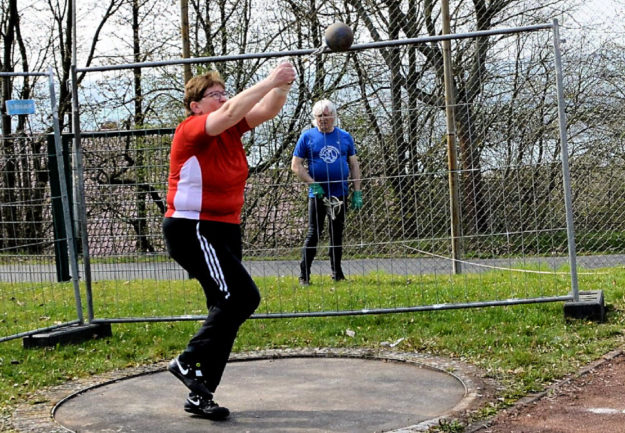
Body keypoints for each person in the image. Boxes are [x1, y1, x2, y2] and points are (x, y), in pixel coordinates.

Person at [162, 62, 296, 420]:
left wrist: (283, 85)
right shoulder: (192, 130)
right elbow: (237, 108)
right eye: (214, 95)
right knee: (242, 296)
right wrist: (269, 79)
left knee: (228, 308)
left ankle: (200, 393)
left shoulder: (230, 130)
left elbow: (266, 108)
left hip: (223, 229)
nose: (223, 98)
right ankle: (188, 360)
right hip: (193, 228)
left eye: (224, 92)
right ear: (196, 106)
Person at [291, 99, 362, 285]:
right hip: (318, 195)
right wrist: (312, 183)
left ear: (334, 116)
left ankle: (337, 273)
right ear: (315, 118)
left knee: (336, 233)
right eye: (320, 116)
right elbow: (296, 166)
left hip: (339, 194)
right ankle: (304, 275)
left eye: (327, 115)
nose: (323, 119)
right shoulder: (307, 137)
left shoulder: (345, 137)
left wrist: (357, 191)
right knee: (314, 234)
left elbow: (353, 164)